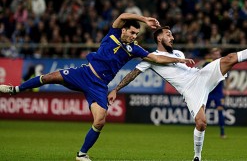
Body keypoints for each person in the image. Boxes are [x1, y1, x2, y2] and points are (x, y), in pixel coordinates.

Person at [0, 13, 194, 161]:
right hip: (83, 73)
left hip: (99, 86)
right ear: (124, 30)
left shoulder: (134, 49)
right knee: (50, 77)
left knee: (100, 120)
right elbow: (123, 16)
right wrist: (144, 19)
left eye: (137, 34)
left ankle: (82, 154)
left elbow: (157, 58)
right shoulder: (113, 34)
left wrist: (181, 59)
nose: (134, 36)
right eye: (132, 32)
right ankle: (15, 89)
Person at [108, 26, 247, 161]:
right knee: (201, 123)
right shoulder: (151, 57)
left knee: (229, 59)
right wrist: (116, 89)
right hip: (189, 90)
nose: (172, 37)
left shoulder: (178, 53)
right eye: (168, 34)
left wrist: (196, 66)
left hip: (200, 76)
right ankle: (197, 157)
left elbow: (187, 69)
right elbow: (133, 74)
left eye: (172, 35)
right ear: (159, 37)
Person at [200, 48, 227, 139]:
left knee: (220, 109)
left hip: (218, 92)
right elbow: (200, 75)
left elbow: (227, 77)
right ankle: (199, 130)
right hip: (208, 91)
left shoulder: (223, 64)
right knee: (202, 111)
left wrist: (227, 89)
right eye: (215, 54)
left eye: (218, 54)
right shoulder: (207, 64)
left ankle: (222, 132)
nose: (217, 56)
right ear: (211, 56)